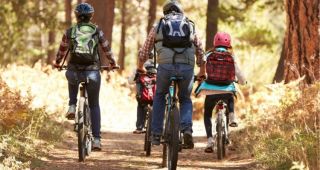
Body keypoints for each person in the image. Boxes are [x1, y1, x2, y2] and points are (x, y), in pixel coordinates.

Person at [138, 0, 205, 149]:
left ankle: (155, 134)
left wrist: (140, 67)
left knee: (160, 96)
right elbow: (200, 49)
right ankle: (187, 129)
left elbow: (144, 51)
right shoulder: (190, 25)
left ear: (165, 12)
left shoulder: (159, 25)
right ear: (181, 12)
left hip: (165, 67)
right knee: (185, 99)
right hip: (187, 67)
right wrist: (202, 70)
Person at [54, 3, 118, 151]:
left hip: (74, 71)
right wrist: (113, 63)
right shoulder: (97, 31)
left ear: (76, 16)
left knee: (71, 77)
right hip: (93, 72)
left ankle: (72, 105)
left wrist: (57, 62)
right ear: (91, 16)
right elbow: (106, 49)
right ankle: (96, 139)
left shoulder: (70, 31)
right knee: (94, 105)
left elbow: (62, 50)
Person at [201, 32, 246, 153]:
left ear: (215, 42)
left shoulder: (209, 54)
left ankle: (210, 140)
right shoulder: (231, 56)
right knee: (231, 96)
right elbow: (239, 73)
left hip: (211, 89)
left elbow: (202, 70)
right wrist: (242, 81)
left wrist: (200, 77)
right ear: (229, 44)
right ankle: (231, 117)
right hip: (226, 88)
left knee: (207, 114)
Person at [133, 59, 157, 134]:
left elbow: (130, 81)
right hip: (156, 98)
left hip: (143, 98)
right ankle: (157, 128)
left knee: (140, 105)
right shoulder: (159, 67)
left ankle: (139, 127)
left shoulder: (139, 69)